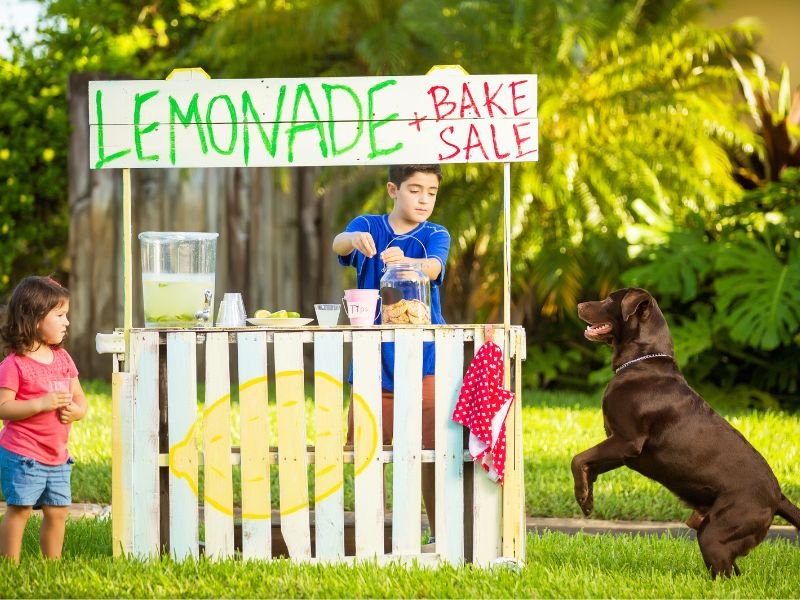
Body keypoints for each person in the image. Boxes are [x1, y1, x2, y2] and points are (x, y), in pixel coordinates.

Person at [332, 164, 450, 538]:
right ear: (392, 190)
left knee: (433, 447)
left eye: (431, 192)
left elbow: (433, 268)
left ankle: (437, 529)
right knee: (368, 448)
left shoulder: (434, 233)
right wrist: (353, 241)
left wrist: (408, 263)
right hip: (372, 360)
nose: (424, 199)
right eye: (415, 190)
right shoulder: (368, 225)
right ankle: (374, 529)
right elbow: (338, 243)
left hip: (424, 359)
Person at [0, 276, 88, 564]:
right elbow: (3, 407)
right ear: (35, 318)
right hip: (23, 453)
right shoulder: (15, 365)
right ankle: (9, 564)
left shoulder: (63, 359)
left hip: (58, 456)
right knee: (21, 508)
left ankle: (52, 563)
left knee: (58, 510)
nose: (67, 322)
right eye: (60, 315)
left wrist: (77, 411)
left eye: (67, 315)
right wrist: (39, 404)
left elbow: (80, 399)